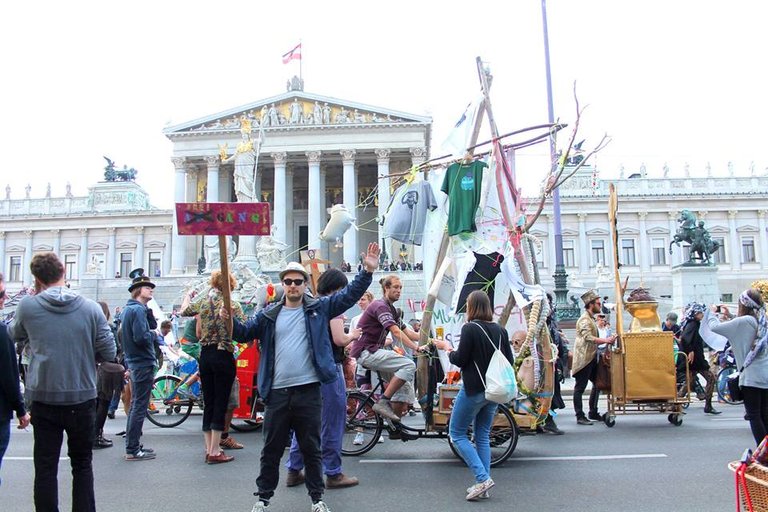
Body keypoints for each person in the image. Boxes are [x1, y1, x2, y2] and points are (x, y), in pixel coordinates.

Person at [225, 243, 379, 512]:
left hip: (308, 390)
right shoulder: (268, 316)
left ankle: (317, 499)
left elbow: (349, 296)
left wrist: (367, 271)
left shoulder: (319, 309)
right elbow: (243, 333)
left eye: (298, 281)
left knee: (312, 447)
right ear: (283, 284)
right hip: (278, 393)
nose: (293, 286)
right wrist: (229, 322)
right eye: (288, 281)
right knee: (271, 450)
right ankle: (263, 498)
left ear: (306, 284)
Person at [10, 252, 115, 510]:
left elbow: (13, 334)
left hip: (43, 397)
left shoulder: (28, 306)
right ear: (64, 273)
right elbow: (109, 351)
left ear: (36, 278)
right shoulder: (90, 308)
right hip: (82, 397)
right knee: (82, 464)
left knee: (45, 467)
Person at [433, 290, 514, 501]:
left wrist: (446, 348)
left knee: (457, 433)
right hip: (494, 392)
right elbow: (509, 361)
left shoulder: (470, 328)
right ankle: (483, 484)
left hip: (474, 389)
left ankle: (482, 477)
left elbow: (459, 359)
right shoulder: (500, 330)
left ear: (471, 307)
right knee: (482, 435)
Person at [286, 268, 361, 490]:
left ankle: (293, 469)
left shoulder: (308, 306)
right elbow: (339, 339)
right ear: (338, 288)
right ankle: (333, 472)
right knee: (332, 422)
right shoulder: (332, 307)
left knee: (306, 421)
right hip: (329, 369)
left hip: (307, 371)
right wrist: (353, 336)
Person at [181, 270, 245, 464]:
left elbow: (184, 311)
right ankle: (216, 450)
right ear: (231, 286)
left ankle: (208, 448)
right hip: (223, 355)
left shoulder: (202, 303)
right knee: (221, 401)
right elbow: (244, 330)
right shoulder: (233, 305)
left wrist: (187, 296)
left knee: (208, 401)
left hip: (205, 355)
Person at [349, 275, 428, 426]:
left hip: (373, 351)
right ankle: (383, 401)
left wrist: (430, 340)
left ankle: (394, 426)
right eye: (395, 287)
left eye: (400, 288)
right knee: (409, 365)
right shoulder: (380, 306)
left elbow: (409, 333)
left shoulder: (392, 310)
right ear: (386, 288)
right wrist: (416, 348)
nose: (399, 291)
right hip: (366, 352)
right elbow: (396, 332)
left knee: (403, 385)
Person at [706, 290, 768, 444]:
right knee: (765, 415)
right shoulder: (760, 320)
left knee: (754, 415)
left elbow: (715, 327)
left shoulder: (744, 322)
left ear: (743, 304)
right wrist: (729, 316)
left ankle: (763, 453)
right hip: (765, 374)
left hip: (751, 377)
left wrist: (712, 313)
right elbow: (745, 327)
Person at [121, 269, 160, 460]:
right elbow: (143, 336)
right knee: (139, 406)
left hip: (136, 362)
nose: (151, 290)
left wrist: (149, 310)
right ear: (137, 290)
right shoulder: (136, 310)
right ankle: (133, 449)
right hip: (142, 362)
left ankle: (133, 444)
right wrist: (154, 335)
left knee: (136, 405)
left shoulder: (132, 309)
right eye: (147, 287)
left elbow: (150, 326)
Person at [0, 272, 30, 486]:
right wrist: (21, 410)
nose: (5, 298)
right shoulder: (2, 333)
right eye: (2, 294)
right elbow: (9, 376)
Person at [571, 290, 617, 425]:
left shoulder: (590, 318)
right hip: (584, 359)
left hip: (591, 358)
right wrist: (606, 340)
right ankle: (580, 416)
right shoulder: (584, 320)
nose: (599, 305)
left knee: (598, 384)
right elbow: (588, 337)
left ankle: (593, 412)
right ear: (591, 304)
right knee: (580, 388)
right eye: (597, 303)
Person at [680, 302, 720, 415]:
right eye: (700, 313)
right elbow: (685, 339)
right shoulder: (693, 324)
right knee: (710, 378)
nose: (702, 315)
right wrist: (691, 350)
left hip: (696, 359)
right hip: (696, 360)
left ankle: (676, 404)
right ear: (695, 313)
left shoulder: (692, 323)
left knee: (689, 383)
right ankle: (708, 405)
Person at [93, 301, 124, 449]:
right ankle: (97, 435)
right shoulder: (107, 327)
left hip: (92, 369)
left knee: (95, 404)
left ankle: (93, 434)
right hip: (107, 368)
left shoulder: (88, 328)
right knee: (104, 403)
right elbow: (114, 349)